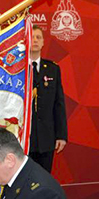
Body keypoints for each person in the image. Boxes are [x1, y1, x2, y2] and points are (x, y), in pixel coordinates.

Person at [28, 26, 67, 173]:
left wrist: (61, 135)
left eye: (38, 37)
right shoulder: (17, 70)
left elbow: (59, 103)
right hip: (24, 138)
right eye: (32, 37)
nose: (35, 40)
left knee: (44, 179)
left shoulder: (52, 69)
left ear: (43, 42)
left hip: (46, 137)